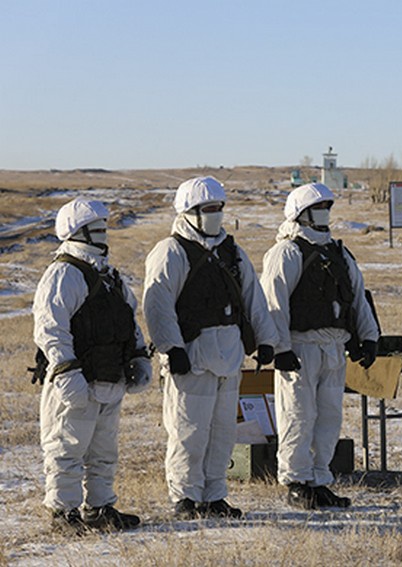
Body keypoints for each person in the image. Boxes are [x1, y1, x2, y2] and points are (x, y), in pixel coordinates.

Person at [142, 176, 278, 520]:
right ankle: (185, 498)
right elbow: (157, 305)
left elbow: (254, 300)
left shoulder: (233, 252)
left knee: (222, 433)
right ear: (188, 212)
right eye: (207, 209)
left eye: (219, 208)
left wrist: (266, 341)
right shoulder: (170, 252)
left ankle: (215, 495)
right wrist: (171, 348)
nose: (215, 215)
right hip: (192, 359)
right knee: (189, 431)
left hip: (230, 358)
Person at [33, 198, 151, 534]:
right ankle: (63, 514)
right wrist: (66, 371)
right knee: (66, 449)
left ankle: (99, 508)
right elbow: (49, 329)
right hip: (77, 381)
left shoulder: (109, 275)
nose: (103, 233)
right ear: (77, 231)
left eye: (104, 226)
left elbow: (129, 318)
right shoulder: (63, 274)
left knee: (103, 451)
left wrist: (140, 356)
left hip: (110, 378)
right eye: (96, 228)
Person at [260, 183, 379, 510]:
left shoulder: (339, 252)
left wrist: (369, 338)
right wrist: (280, 347)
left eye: (327, 206)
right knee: (298, 414)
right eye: (318, 207)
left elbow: (358, 297)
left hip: (334, 347)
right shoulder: (286, 252)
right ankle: (297, 481)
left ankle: (319, 478)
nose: (325, 213)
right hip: (300, 348)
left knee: (329, 416)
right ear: (301, 213)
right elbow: (274, 302)